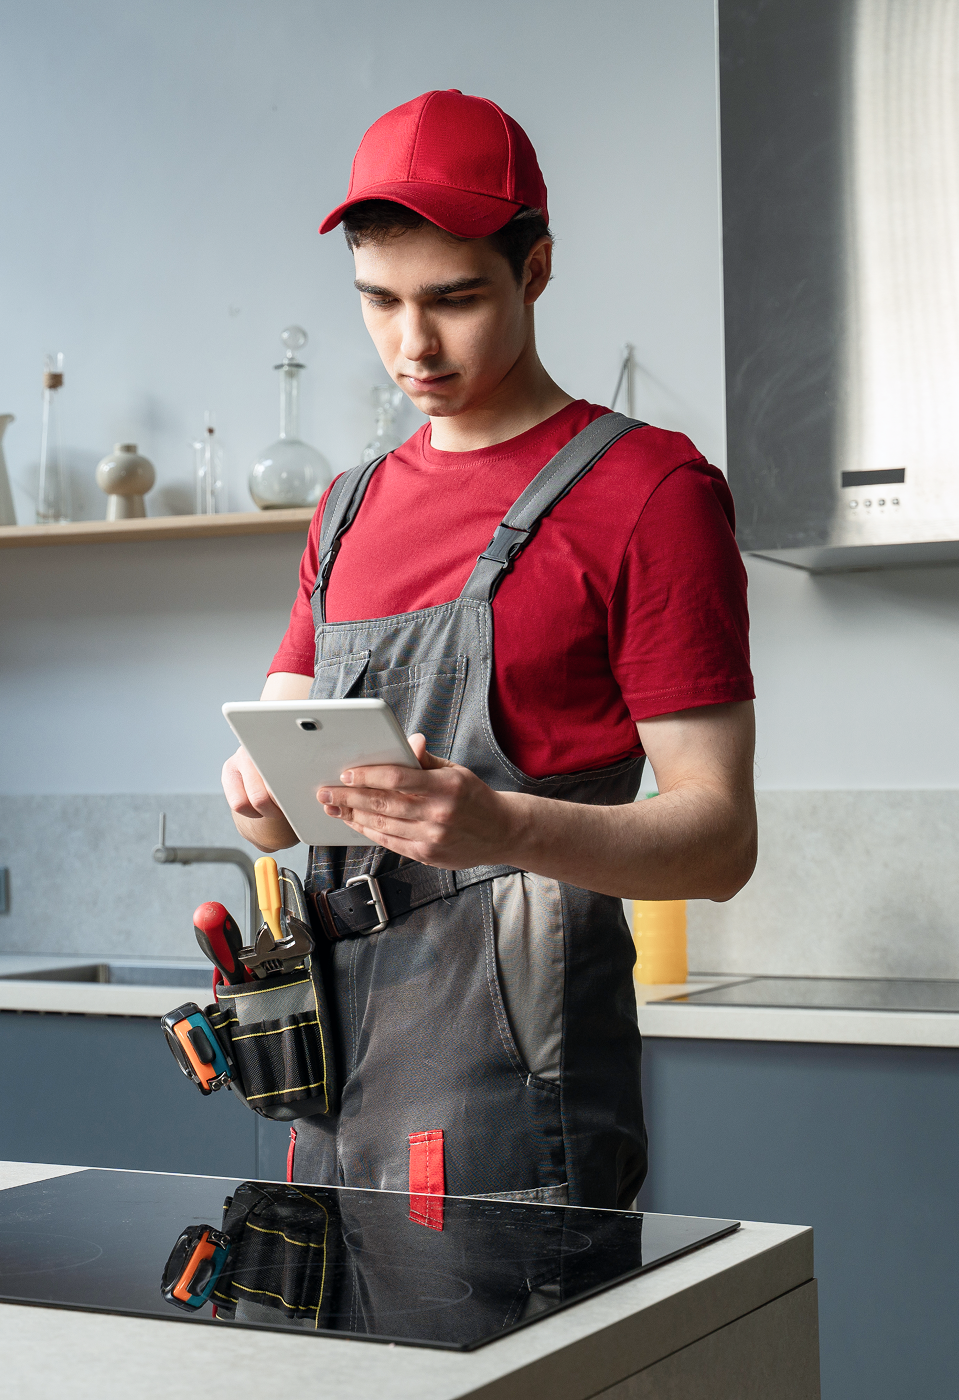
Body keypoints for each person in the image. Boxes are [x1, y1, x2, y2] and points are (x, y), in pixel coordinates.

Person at [220, 90, 757, 1210]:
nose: (411, 344)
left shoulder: (649, 492)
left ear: (536, 270)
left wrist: (499, 826)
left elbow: (719, 842)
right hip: (330, 1083)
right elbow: (279, 816)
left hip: (518, 1088)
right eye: (379, 301)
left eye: (454, 299)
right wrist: (258, 794)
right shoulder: (347, 507)